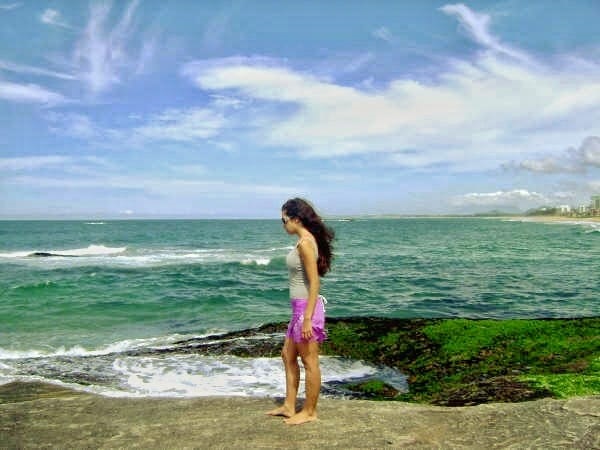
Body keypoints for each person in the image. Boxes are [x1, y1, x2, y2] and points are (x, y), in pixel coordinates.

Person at [267, 197, 335, 425]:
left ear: (296, 219)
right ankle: (289, 405)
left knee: (309, 361)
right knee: (287, 356)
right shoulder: (304, 241)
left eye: (283, 220)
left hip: (307, 310)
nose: (283, 224)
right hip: (298, 309)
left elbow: (315, 283)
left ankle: (309, 411)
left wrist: (307, 319)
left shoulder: (306, 243)